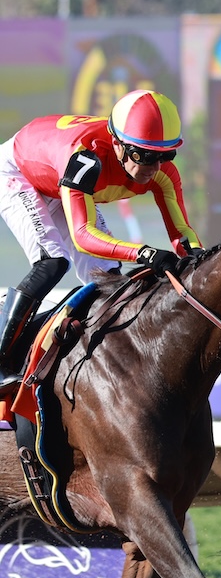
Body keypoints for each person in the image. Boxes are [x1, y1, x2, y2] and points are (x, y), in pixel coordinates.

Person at [0, 88, 202, 391]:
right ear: (117, 144)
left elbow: (181, 234)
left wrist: (200, 260)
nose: (153, 167)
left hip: (57, 181)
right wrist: (144, 253)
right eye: (143, 155)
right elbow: (83, 236)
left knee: (110, 280)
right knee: (53, 262)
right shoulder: (85, 157)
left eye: (165, 155)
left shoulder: (161, 171)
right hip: (20, 172)